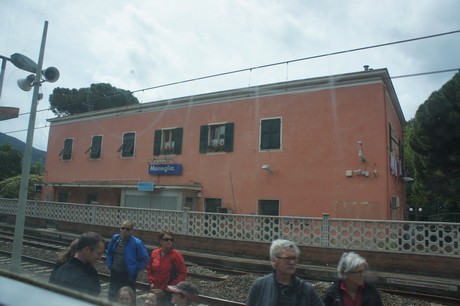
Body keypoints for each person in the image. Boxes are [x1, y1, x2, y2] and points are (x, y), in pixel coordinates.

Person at [246, 239, 324, 306]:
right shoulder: (259, 286)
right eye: (288, 258)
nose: (292, 262)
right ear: (273, 260)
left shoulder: (306, 289)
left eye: (294, 258)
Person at [49, 231, 105, 296]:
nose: (100, 258)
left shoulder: (62, 268)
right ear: (87, 250)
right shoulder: (83, 278)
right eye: (99, 253)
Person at [106, 220, 150, 301]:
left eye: (127, 229)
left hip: (128, 275)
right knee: (112, 297)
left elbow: (145, 260)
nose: (124, 231)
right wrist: (109, 265)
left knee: (129, 299)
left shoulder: (137, 243)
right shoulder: (115, 239)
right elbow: (109, 253)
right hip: (115, 273)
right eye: (123, 228)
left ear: (132, 231)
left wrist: (135, 268)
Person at [146, 230, 187, 306]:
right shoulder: (155, 253)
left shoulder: (176, 256)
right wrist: (151, 282)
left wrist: (173, 286)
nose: (169, 241)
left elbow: (182, 273)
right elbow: (149, 268)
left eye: (171, 240)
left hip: (168, 291)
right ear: (160, 241)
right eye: (166, 239)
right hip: (155, 289)